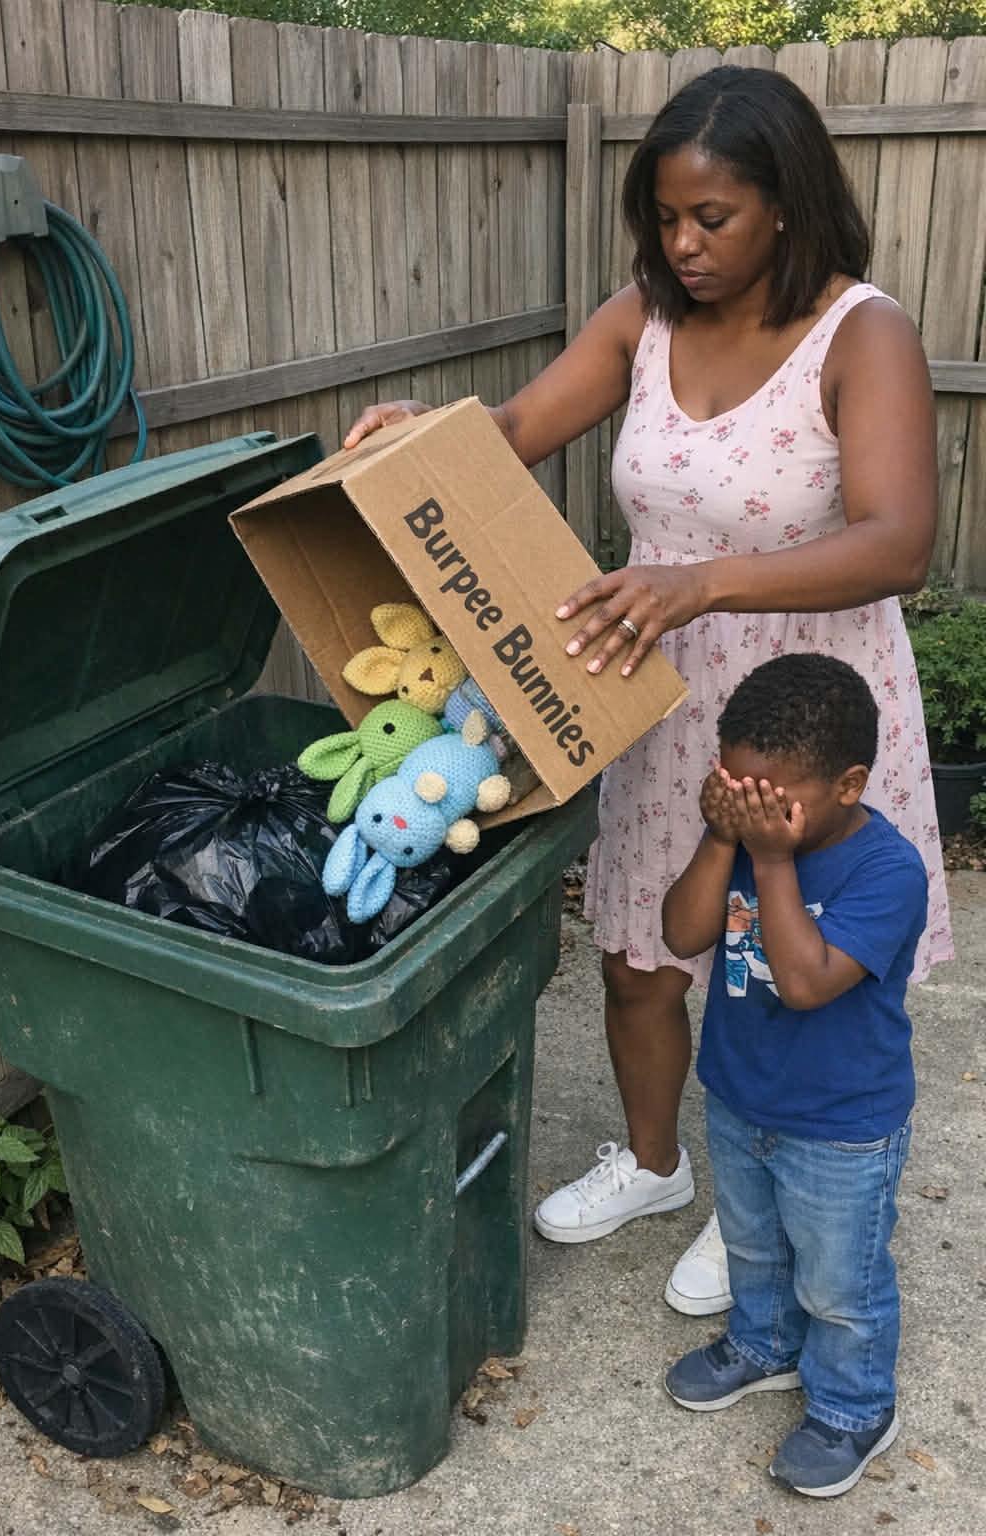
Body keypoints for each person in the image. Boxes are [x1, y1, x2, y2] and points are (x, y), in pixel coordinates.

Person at [343, 64, 953, 1313]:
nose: (681, 245)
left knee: (779, 962)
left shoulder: (862, 332)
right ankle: (657, 1163)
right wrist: (426, 431)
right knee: (639, 948)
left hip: (800, 711)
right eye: (663, 220)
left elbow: (899, 541)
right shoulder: (644, 316)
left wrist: (704, 583)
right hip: (659, 694)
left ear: (784, 204)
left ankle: (762, 1202)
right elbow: (515, 427)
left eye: (710, 219)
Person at [661, 654, 925, 1498]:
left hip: (843, 1122)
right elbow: (680, 935)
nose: (746, 806)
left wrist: (769, 861)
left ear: (848, 785)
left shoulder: (888, 873)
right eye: (729, 787)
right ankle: (765, 1347)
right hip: (741, 1093)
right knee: (752, 1246)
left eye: (766, 797)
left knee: (840, 1281)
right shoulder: (744, 836)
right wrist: (719, 837)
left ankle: (853, 1409)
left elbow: (808, 983)